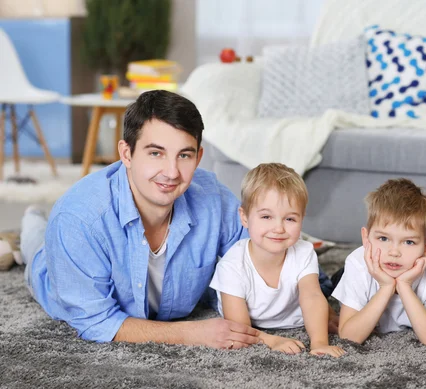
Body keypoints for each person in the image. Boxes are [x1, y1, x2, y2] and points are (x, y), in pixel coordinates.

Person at [19, 90, 261, 349]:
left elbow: (256, 259)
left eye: (184, 155)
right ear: (126, 154)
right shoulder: (77, 221)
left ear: (199, 158)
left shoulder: (214, 199)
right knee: (35, 244)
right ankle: (30, 219)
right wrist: (191, 333)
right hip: (51, 264)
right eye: (156, 153)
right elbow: (97, 322)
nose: (171, 172)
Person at [209, 163, 345, 357]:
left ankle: (331, 308)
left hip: (292, 312)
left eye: (290, 219)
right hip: (251, 317)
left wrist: (319, 342)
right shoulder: (232, 265)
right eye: (266, 216)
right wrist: (272, 340)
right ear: (245, 217)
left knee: (322, 298)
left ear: (302, 219)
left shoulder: (303, 251)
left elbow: (312, 297)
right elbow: (238, 328)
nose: (279, 228)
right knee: (216, 298)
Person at [332, 178, 426, 346]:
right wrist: (386, 287)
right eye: (383, 238)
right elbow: (348, 336)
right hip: (357, 273)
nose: (394, 252)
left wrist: (404, 286)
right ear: (366, 238)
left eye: (409, 242)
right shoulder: (357, 264)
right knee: (330, 285)